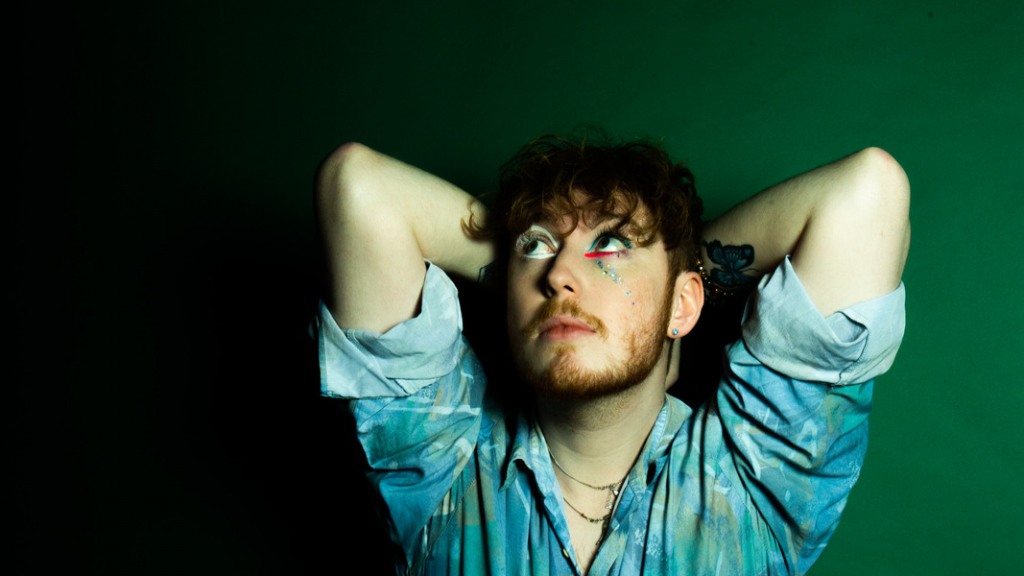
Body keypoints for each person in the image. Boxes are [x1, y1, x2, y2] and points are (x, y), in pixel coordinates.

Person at [312, 134, 910, 575]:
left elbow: (867, 195)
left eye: (611, 245)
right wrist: (559, 271)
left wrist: (675, 265)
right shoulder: (439, 469)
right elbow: (357, 189)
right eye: (538, 245)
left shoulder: (756, 482)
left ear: (684, 307)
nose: (561, 275)